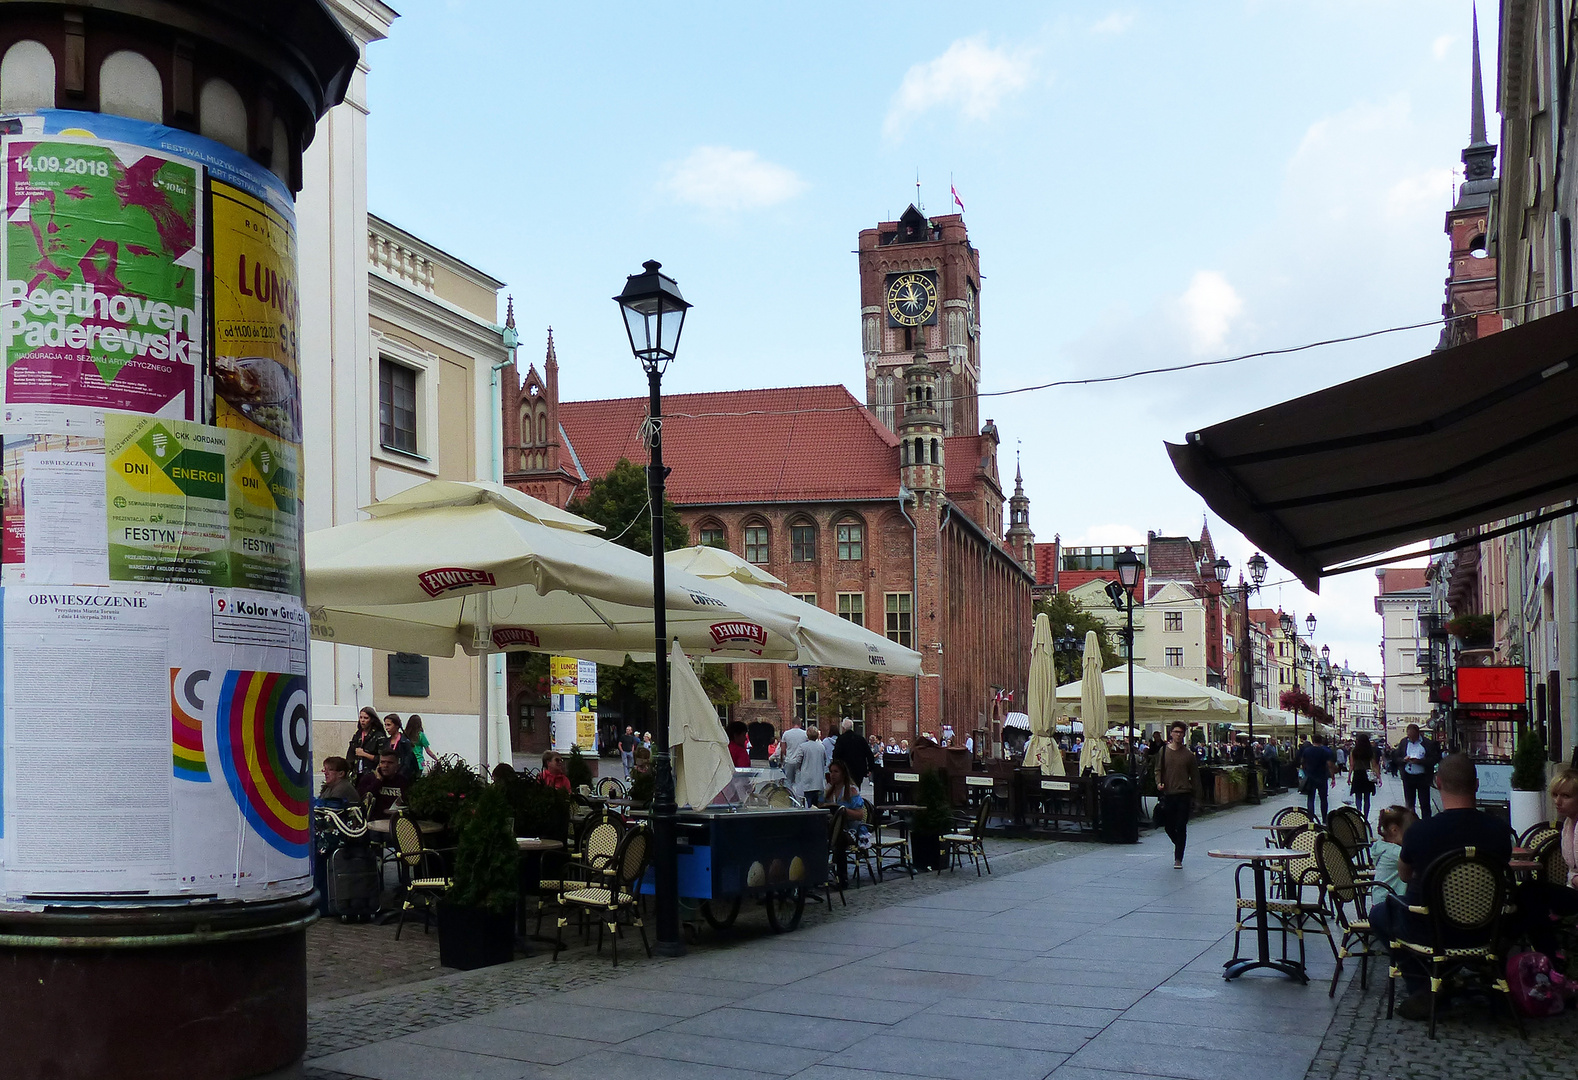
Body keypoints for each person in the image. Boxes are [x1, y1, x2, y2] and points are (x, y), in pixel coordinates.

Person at [1368, 753, 1511, 1020]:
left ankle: (1423, 987)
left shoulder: (1420, 832)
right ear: (1477, 785)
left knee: (1379, 914)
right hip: (1485, 931)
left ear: (1437, 782)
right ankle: (1487, 983)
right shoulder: (1499, 831)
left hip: (1429, 931)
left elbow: (1405, 874)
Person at [1516, 768, 1578, 955]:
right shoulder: (1568, 824)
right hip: (1572, 889)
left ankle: (1550, 954)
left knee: (1530, 893)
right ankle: (1548, 953)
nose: (1557, 802)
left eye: (1566, 796)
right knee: (1527, 893)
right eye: (1555, 795)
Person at [1154, 721, 1200, 868]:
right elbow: (1158, 770)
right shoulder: (1163, 751)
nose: (1178, 735)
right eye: (1176, 732)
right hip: (1168, 794)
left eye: (1181, 732)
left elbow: (1195, 776)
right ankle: (1179, 844)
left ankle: (1178, 858)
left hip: (1184, 794)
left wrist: (1198, 798)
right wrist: (1158, 782)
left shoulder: (1188, 755)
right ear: (1171, 733)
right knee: (1168, 826)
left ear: (1184, 734)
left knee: (1181, 826)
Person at [823, 757, 867, 888]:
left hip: (852, 830)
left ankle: (842, 878)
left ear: (843, 773)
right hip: (833, 827)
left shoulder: (851, 790)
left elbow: (860, 815)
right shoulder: (828, 791)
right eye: (831, 772)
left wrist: (842, 811)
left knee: (839, 840)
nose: (832, 775)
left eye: (836, 772)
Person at [1391, 723, 1440, 820]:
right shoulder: (1404, 742)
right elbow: (1396, 757)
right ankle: (1410, 823)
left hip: (1423, 777)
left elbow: (1434, 759)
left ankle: (1426, 823)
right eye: (1409, 736)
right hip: (1408, 777)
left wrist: (1420, 762)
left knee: (1424, 802)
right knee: (1409, 803)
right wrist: (1403, 760)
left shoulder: (1427, 743)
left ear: (1418, 734)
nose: (1411, 739)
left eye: (1413, 736)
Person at [1370, 805, 1415, 897]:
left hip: (1380, 898)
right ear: (1394, 830)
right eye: (1410, 830)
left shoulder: (1382, 845)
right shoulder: (1395, 852)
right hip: (1388, 903)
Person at [355, 749, 410, 820]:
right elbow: (364, 799)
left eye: (390, 763)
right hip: (374, 822)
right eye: (382, 762)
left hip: (397, 821)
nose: (385, 765)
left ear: (397, 765)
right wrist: (378, 780)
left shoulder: (403, 781)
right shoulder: (368, 779)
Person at [1298, 733, 1336, 822]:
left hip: (1310, 777)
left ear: (1313, 740)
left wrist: (1305, 771)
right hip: (1322, 777)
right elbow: (1330, 765)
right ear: (1321, 741)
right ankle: (1324, 818)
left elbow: (1302, 762)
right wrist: (1332, 777)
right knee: (1323, 799)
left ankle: (1311, 818)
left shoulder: (1307, 751)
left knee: (1311, 799)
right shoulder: (1325, 751)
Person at [834, 717, 877, 791]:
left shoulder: (841, 739)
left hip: (845, 769)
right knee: (856, 788)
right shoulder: (860, 739)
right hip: (858, 769)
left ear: (843, 728)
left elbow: (836, 755)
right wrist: (870, 768)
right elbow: (869, 754)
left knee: (845, 789)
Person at [1348, 731, 1381, 820]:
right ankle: (1365, 816)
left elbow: (1352, 765)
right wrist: (1379, 777)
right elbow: (1374, 765)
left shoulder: (1354, 751)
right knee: (1367, 797)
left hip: (1358, 774)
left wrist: (1349, 777)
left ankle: (1359, 813)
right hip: (1367, 775)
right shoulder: (1370, 751)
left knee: (1358, 796)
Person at [772, 715, 808, 792]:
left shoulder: (786, 734)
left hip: (789, 760)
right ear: (800, 724)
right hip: (801, 762)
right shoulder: (805, 734)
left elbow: (783, 748)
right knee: (799, 782)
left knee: (788, 782)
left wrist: (787, 755)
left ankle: (789, 798)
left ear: (792, 724)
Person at [383, 713, 420, 780]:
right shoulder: (386, 741)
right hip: (388, 776)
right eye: (385, 725)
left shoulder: (405, 742)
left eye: (389, 725)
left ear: (397, 725)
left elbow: (407, 762)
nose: (386, 728)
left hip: (401, 777)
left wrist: (400, 774)